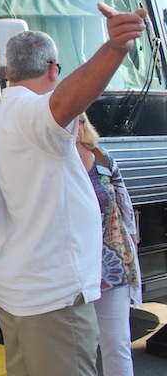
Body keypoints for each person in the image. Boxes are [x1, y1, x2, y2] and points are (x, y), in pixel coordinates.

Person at [0, 3, 147, 376]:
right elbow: (62, 103)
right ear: (53, 69)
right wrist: (115, 48)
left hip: (18, 289)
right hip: (53, 298)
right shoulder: (32, 113)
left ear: (9, 72)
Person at [76, 113, 141, 376]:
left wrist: (131, 244)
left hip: (113, 264)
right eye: (70, 121)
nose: (76, 128)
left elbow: (124, 202)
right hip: (73, 268)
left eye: (80, 121)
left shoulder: (103, 157)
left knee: (117, 344)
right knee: (80, 348)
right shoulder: (55, 161)